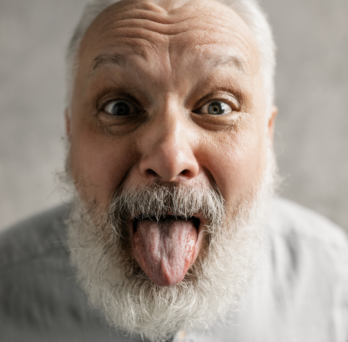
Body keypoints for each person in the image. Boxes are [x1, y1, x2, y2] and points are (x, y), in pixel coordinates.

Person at [0, 0, 347, 341]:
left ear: (266, 135)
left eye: (217, 106)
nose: (170, 159)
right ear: (70, 133)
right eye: (119, 108)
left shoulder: (335, 283)